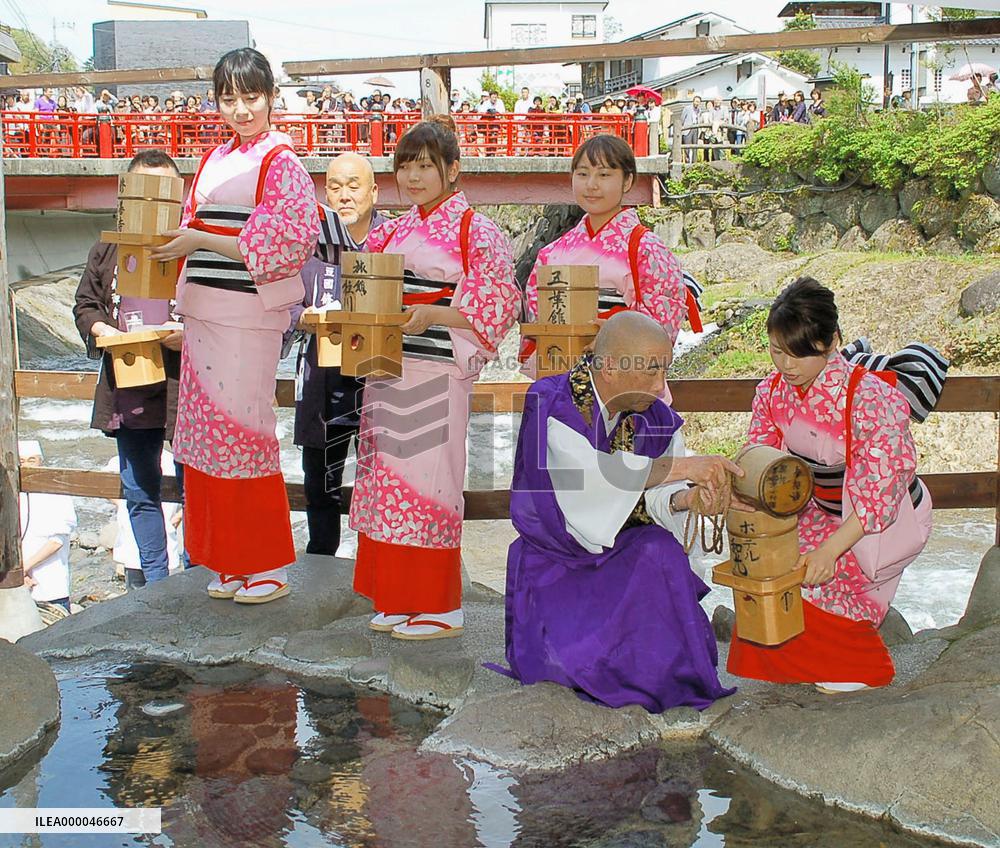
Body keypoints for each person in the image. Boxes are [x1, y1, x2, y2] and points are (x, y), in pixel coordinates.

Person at [498, 313, 741, 711]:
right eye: (650, 372)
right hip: (558, 559)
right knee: (565, 669)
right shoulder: (551, 402)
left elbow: (658, 497)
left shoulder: (655, 417)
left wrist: (690, 500)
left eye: (665, 370)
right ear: (609, 366)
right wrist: (685, 469)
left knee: (659, 551)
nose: (661, 386)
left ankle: (665, 678)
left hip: (621, 544)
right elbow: (591, 478)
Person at [150, 47, 320, 604]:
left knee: (244, 430)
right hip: (203, 309)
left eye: (251, 97)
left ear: (272, 97)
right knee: (204, 436)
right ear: (217, 102)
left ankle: (264, 562)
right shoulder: (213, 158)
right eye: (229, 99)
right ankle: (226, 558)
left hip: (246, 313)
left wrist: (198, 239)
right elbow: (188, 223)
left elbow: (285, 241)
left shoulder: (282, 162)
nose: (242, 109)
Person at [727, 277, 942, 693]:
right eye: (776, 351)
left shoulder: (870, 397)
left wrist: (828, 550)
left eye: (799, 353)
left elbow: (879, 490)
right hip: (817, 509)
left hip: (879, 519)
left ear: (832, 342)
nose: (786, 365)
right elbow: (761, 458)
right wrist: (739, 498)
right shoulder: (773, 392)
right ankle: (799, 662)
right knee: (768, 570)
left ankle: (860, 665)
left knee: (817, 576)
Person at [349, 119, 520, 640]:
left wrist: (435, 316)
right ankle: (396, 597)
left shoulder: (475, 230)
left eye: (426, 165)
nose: (414, 176)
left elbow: (500, 304)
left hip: (436, 365)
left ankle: (439, 604)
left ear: (453, 170)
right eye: (406, 165)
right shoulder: (393, 229)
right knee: (387, 484)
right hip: (388, 369)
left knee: (431, 484)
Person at [73, 150, 185, 587]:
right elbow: (86, 303)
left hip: (182, 382)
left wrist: (187, 331)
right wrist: (102, 328)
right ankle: (157, 583)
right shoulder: (108, 246)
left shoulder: (191, 244)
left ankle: (197, 577)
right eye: (143, 189)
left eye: (163, 191)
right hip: (129, 378)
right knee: (140, 489)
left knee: (197, 488)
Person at [523, 134, 697, 360]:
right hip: (564, 369)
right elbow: (538, 318)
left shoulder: (646, 248)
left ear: (627, 181)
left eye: (604, 174)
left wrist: (614, 331)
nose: (591, 185)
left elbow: (663, 323)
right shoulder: (552, 253)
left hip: (624, 372)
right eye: (582, 174)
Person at [292, 153, 385, 558]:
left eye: (354, 186)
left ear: (374, 191)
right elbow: (283, 304)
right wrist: (303, 316)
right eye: (334, 187)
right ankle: (320, 575)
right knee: (320, 487)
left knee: (379, 483)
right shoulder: (306, 243)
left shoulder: (392, 241)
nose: (344, 196)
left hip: (379, 378)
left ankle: (374, 574)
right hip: (321, 375)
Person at [18, 441, 77, 613]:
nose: (26, 465)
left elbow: (56, 542)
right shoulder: (9, 493)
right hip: (18, 582)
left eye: (31, 460)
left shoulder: (57, 493)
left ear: (40, 462)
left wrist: (24, 568)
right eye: (21, 461)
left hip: (50, 579)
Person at [680, 96, 701, 164]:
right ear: (693, 101)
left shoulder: (699, 110)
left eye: (698, 102)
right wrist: (682, 128)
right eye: (696, 101)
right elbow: (682, 118)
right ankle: (687, 161)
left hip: (696, 128)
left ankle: (694, 162)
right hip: (687, 128)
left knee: (695, 146)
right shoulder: (687, 108)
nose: (697, 103)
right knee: (687, 146)